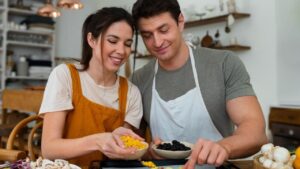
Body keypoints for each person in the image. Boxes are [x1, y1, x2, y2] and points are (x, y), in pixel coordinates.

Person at [131, 0, 268, 168]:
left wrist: (224, 147)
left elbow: (255, 130)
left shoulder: (224, 64)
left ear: (180, 21)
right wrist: (148, 152)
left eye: (164, 30)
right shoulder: (139, 79)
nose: (157, 42)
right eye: (147, 35)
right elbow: (134, 145)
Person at [39, 7, 143, 168]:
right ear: (92, 40)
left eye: (128, 44)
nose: (121, 51)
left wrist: (120, 142)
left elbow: (120, 152)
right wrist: (98, 141)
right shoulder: (65, 76)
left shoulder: (131, 93)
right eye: (113, 41)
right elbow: (49, 148)